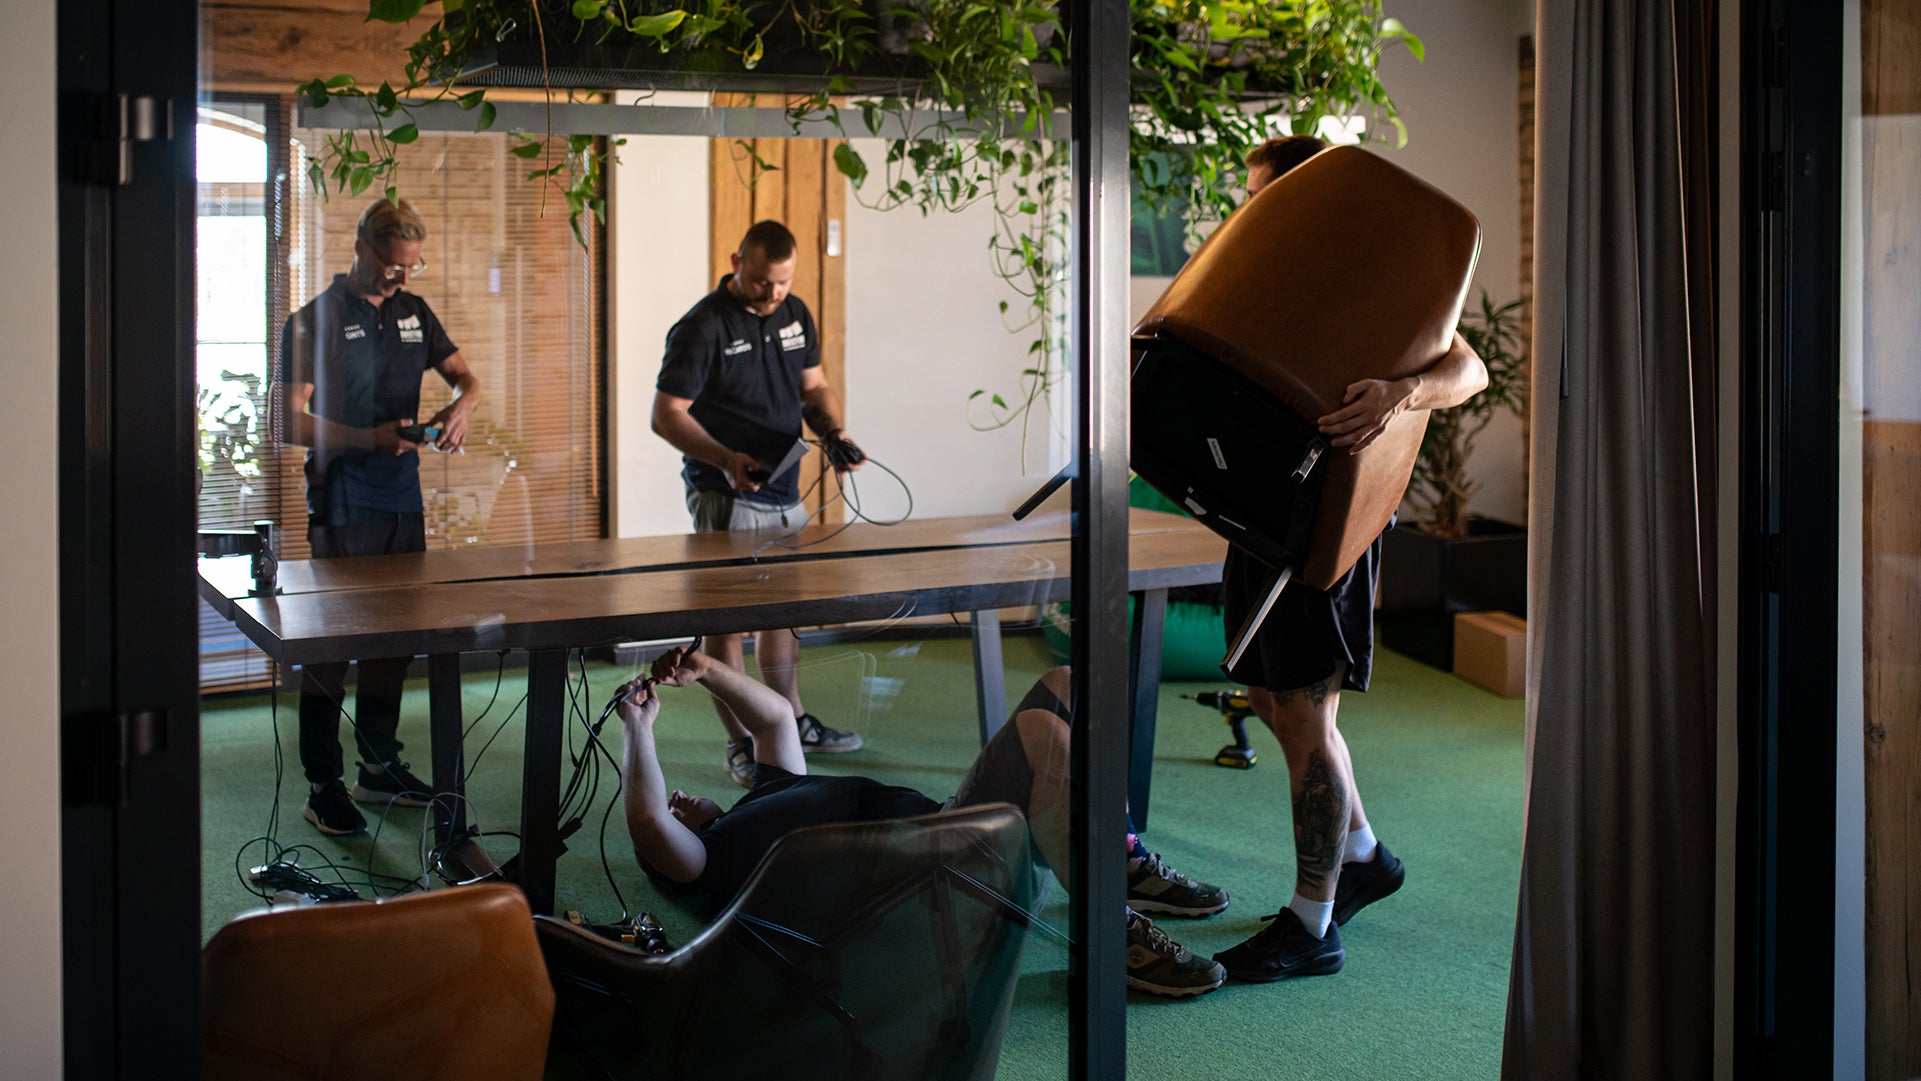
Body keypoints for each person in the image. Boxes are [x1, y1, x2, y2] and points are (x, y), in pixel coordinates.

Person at [1209, 135, 1490, 983]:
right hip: (1260, 513)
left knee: (1303, 710)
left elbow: (1468, 368)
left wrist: (1400, 393)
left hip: (1328, 522)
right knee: (1265, 693)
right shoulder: (1269, 277)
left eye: (1266, 197)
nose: (1251, 211)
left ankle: (1312, 922)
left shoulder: (1378, 281)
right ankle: (1361, 855)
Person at [615, 648, 1231, 998]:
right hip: (937, 885)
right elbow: (645, 818)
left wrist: (707, 671)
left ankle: (1118, 858)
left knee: (1068, 683)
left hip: (954, 836)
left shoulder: (765, 793)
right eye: (676, 809)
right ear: (677, 849)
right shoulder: (716, 863)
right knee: (1040, 732)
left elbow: (776, 719)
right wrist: (638, 729)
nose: (678, 796)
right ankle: (1111, 935)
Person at [277, 197, 481, 836]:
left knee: (393, 642)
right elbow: (286, 420)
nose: (401, 278)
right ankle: (323, 783)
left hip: (400, 497)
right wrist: (371, 439)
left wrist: (462, 408)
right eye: (393, 266)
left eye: (411, 268)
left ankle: (377, 765)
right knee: (332, 648)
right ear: (362, 246)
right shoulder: (313, 321)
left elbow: (465, 378)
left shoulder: (414, 313)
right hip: (342, 500)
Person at [652, 219, 865, 787]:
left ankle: (790, 721)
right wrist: (724, 459)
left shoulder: (795, 313)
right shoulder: (701, 328)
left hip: (784, 490)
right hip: (727, 495)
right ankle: (744, 744)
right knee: (729, 625)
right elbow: (666, 415)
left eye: (782, 282)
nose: (773, 294)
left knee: (784, 617)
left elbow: (814, 387)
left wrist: (835, 433)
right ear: (736, 262)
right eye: (761, 282)